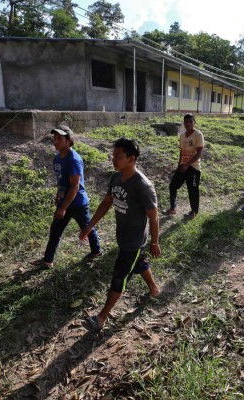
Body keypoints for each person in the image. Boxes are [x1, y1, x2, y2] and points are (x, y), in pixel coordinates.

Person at [79, 138, 161, 332]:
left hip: (134, 240)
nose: (113, 159)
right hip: (123, 237)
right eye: (113, 155)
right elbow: (106, 203)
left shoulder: (143, 185)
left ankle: (101, 317)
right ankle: (154, 290)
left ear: (131, 158)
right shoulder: (116, 178)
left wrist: (155, 242)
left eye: (118, 156)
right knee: (139, 263)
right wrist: (89, 226)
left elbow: (154, 216)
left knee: (119, 277)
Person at [34, 126, 102, 268]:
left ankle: (96, 251)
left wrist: (63, 207)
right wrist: (58, 197)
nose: (56, 141)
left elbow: (75, 186)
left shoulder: (73, 159)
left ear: (69, 140)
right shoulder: (58, 158)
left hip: (77, 204)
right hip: (64, 201)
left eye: (59, 138)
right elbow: (61, 181)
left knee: (87, 228)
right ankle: (47, 260)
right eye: (55, 138)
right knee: (55, 231)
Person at [164, 113, 204, 218]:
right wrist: (179, 165)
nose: (188, 124)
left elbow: (199, 153)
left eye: (190, 121)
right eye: (186, 122)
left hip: (194, 167)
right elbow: (182, 151)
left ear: (194, 122)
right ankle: (173, 208)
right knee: (173, 186)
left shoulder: (198, 135)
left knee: (193, 190)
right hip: (182, 166)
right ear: (184, 123)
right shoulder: (182, 135)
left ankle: (194, 212)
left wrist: (187, 165)